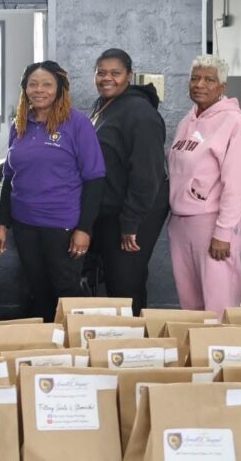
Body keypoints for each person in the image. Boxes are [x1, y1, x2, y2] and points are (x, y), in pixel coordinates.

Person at [0, 62, 105, 322]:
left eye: (46, 84)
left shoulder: (77, 123)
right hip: (25, 225)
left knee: (65, 291)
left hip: (63, 225)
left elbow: (94, 179)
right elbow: (10, 178)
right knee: (37, 290)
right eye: (33, 84)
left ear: (59, 89)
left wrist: (84, 229)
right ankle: (43, 351)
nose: (39, 90)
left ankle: (74, 350)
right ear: (25, 89)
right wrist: (2, 223)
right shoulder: (20, 125)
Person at [167, 55, 241, 318]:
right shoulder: (188, 121)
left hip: (214, 223)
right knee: (191, 303)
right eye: (194, 78)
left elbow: (237, 185)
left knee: (220, 303)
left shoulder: (236, 125)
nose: (199, 85)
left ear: (222, 87)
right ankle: (199, 354)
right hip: (182, 222)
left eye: (209, 79)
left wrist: (223, 232)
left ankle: (223, 354)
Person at [88, 48, 169, 315]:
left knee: (126, 283)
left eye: (115, 73)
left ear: (129, 76)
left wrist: (131, 222)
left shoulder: (140, 113)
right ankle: (115, 344)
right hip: (112, 210)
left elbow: (148, 174)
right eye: (101, 72)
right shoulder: (104, 105)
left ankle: (134, 349)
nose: (106, 78)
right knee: (113, 281)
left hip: (134, 213)